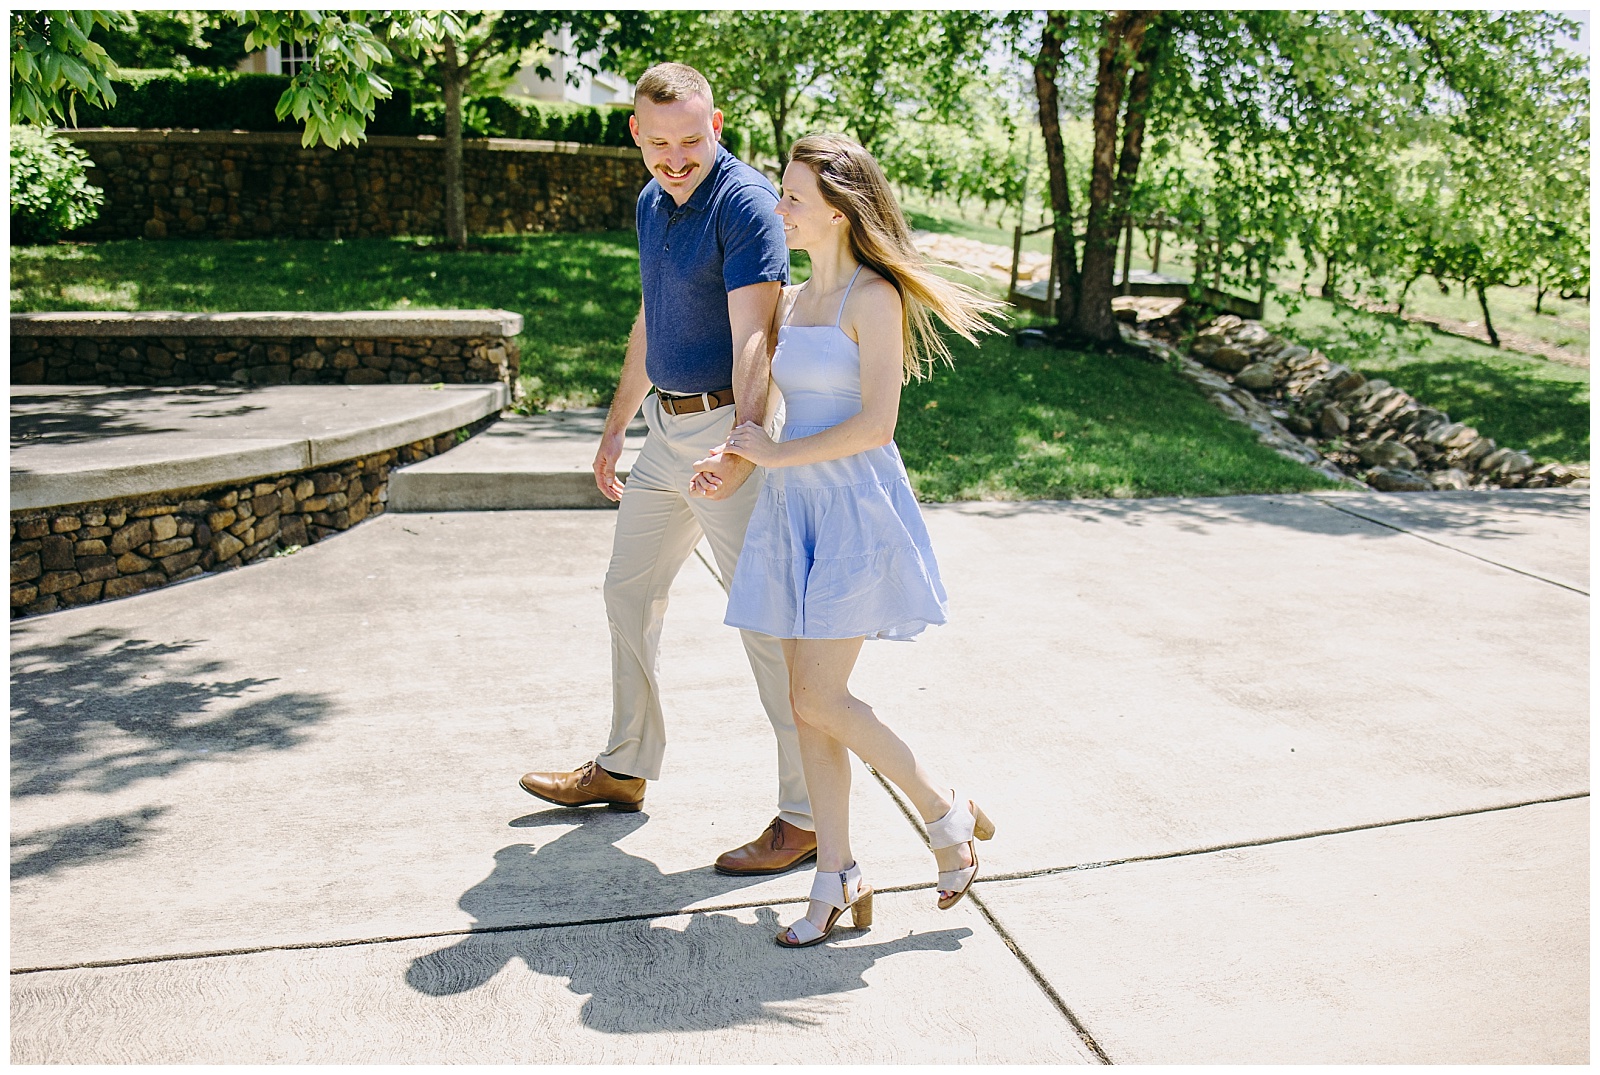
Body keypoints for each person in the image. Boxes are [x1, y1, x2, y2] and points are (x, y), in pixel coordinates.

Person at [691, 133, 1008, 948]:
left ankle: (944, 814)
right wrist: (736, 461)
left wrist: (774, 455)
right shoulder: (792, 301)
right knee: (809, 713)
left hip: (855, 513)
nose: (779, 207)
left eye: (793, 196)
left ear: (836, 209)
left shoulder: (875, 297)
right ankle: (837, 875)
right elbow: (772, 410)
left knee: (817, 697)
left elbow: (875, 426)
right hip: (794, 512)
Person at [518, 63, 818, 877]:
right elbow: (651, 318)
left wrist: (744, 438)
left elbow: (759, 334)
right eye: (660, 144)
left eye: (692, 140)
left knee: (767, 623)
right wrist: (616, 426)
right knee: (628, 590)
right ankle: (624, 765)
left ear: (714, 123)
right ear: (635, 136)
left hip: (729, 427)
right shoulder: (652, 202)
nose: (677, 158)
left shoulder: (743, 200)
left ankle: (807, 814)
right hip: (665, 431)